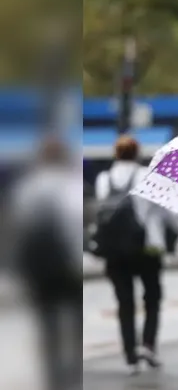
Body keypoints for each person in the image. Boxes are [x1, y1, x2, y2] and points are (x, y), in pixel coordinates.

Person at [93, 135, 178, 374]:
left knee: (124, 303)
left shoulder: (104, 179)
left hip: (114, 250)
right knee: (152, 298)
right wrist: (177, 232)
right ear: (138, 153)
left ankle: (130, 355)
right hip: (147, 247)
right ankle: (148, 345)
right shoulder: (148, 176)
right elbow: (165, 211)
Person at [8, 135, 84, 390]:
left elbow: (19, 226)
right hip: (67, 266)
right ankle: (73, 370)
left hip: (39, 268)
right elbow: (73, 226)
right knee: (74, 319)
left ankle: (54, 375)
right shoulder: (70, 185)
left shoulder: (27, 186)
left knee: (47, 322)